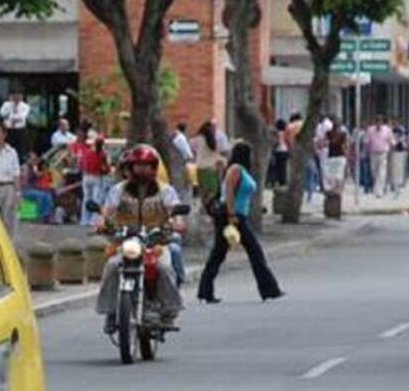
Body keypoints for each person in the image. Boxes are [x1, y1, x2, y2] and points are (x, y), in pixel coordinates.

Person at [94, 144, 185, 331]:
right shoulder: (118, 190)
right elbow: (107, 211)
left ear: (153, 168)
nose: (142, 169)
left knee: (164, 267)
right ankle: (111, 312)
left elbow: (175, 212)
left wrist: (177, 222)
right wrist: (102, 222)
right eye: (138, 165)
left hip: (156, 241)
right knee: (112, 266)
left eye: (146, 165)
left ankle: (168, 310)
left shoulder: (165, 191)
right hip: (127, 241)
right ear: (130, 167)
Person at [197, 141, 283, 304]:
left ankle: (205, 291)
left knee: (219, 254)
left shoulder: (242, 170)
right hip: (232, 216)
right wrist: (231, 215)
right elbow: (229, 192)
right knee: (254, 251)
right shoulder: (235, 169)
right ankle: (269, 289)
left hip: (238, 215)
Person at [78, 132, 110, 226]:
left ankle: (84, 220)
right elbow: (106, 168)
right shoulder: (102, 154)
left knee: (86, 198)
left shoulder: (87, 152)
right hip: (96, 177)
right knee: (96, 199)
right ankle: (93, 221)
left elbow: (81, 164)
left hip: (86, 177)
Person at [22, 152, 56, 222]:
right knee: (42, 195)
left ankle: (47, 215)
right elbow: (24, 183)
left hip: (31, 189)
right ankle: (44, 216)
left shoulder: (33, 167)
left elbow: (37, 178)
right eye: (33, 159)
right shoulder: (25, 168)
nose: (35, 161)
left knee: (48, 194)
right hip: (25, 190)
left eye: (36, 159)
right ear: (28, 160)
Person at [0, 89, 31, 159]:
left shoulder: (25, 106)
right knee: (7, 150)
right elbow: (2, 114)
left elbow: (22, 117)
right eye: (15, 95)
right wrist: (11, 108)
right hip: (8, 130)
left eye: (19, 95)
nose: (16, 97)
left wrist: (10, 117)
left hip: (20, 131)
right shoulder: (6, 104)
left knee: (20, 151)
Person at [365, 115, 393, 196]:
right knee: (374, 172)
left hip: (383, 153)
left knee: (382, 172)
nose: (378, 123)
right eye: (377, 121)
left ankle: (379, 191)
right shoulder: (370, 130)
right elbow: (367, 141)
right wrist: (366, 151)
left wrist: (391, 151)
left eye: (380, 121)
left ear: (382, 122)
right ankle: (378, 187)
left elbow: (391, 141)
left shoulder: (387, 129)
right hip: (373, 153)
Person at [268, 117, 289, 186]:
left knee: (276, 167)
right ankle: (283, 181)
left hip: (278, 151)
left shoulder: (277, 133)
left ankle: (275, 181)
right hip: (285, 151)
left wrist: (273, 149)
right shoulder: (285, 133)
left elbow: (276, 143)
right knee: (283, 167)